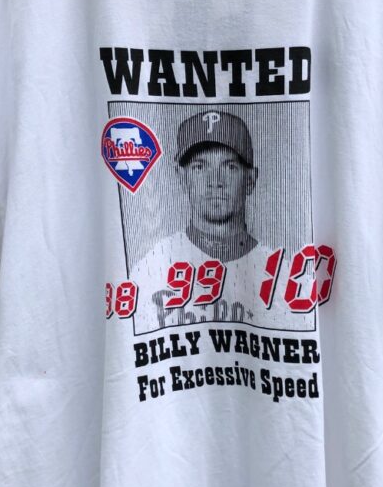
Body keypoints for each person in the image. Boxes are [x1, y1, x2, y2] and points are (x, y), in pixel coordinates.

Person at [128, 109, 315, 333]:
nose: (215, 181)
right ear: (182, 178)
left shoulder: (286, 278)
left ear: (250, 179)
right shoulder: (149, 270)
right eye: (199, 167)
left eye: (229, 167)